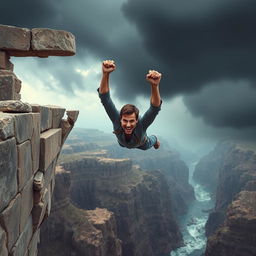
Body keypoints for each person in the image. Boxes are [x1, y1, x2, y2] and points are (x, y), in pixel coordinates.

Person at [98, 59, 162, 150]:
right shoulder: (116, 119)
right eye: (125, 121)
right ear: (120, 119)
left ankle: (155, 139)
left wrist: (155, 86)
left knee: (147, 145)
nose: (128, 125)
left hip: (142, 143)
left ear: (136, 120)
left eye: (131, 121)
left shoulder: (142, 124)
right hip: (122, 143)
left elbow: (154, 109)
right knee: (122, 144)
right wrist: (105, 74)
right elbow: (105, 99)